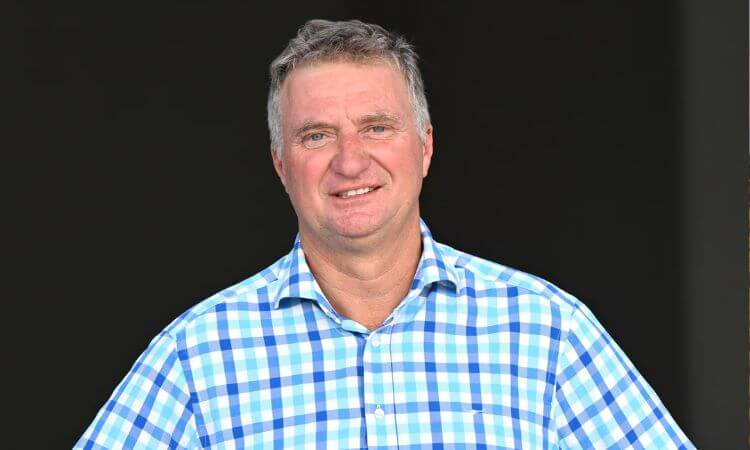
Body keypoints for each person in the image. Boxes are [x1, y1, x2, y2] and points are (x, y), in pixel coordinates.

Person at [76, 19, 694, 449]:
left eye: (376, 127)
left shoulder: (547, 333)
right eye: (316, 135)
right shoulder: (196, 357)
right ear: (279, 164)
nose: (350, 161)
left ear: (425, 147)